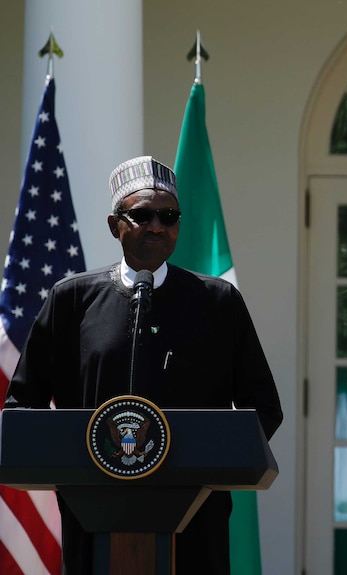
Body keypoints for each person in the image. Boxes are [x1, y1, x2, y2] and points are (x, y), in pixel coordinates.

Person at [4, 156, 283, 575]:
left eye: (169, 216)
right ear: (115, 223)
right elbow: (22, 406)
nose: (157, 225)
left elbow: (263, 406)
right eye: (143, 214)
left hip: (194, 515)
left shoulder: (217, 302)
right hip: (93, 512)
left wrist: (209, 455)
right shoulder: (71, 300)